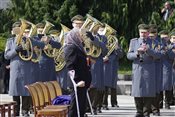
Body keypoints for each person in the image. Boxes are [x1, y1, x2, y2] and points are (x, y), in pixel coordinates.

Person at [127, 24, 161, 117]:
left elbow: (159, 55)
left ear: (148, 33)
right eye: (141, 32)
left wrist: (148, 50)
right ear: (139, 32)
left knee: (148, 91)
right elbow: (128, 55)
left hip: (149, 69)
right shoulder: (134, 42)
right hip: (138, 69)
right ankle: (139, 111)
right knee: (137, 91)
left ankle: (146, 112)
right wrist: (137, 53)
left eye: (145, 33)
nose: (143, 34)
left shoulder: (154, 42)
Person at [63, 14, 92, 117]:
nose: (81, 36)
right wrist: (77, 80)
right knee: (75, 108)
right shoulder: (70, 47)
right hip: (77, 82)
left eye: (81, 24)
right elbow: (70, 66)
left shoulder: (79, 46)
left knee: (81, 107)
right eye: (77, 24)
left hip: (82, 81)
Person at [4, 21, 32, 116]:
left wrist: (27, 51)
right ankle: (16, 111)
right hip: (15, 68)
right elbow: (7, 55)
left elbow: (33, 55)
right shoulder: (10, 41)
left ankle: (25, 111)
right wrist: (16, 50)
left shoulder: (28, 40)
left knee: (26, 90)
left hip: (27, 68)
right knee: (15, 90)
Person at [102, 28, 124, 110]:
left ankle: (114, 102)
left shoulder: (116, 44)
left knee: (113, 85)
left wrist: (117, 48)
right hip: (106, 65)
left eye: (113, 35)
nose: (112, 36)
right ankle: (104, 104)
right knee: (106, 85)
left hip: (114, 66)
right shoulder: (104, 42)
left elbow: (121, 55)